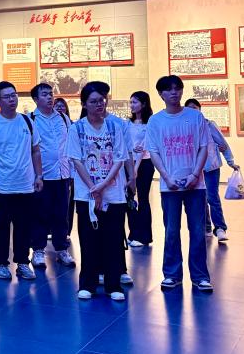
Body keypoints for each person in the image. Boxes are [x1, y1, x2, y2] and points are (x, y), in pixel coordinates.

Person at [146, 76, 212, 292]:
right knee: (172, 231)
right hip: (170, 186)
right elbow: (154, 152)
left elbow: (203, 147)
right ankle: (172, 274)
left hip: (196, 185)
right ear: (161, 94)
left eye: (177, 88)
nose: (174, 93)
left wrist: (195, 174)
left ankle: (200, 276)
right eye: (169, 89)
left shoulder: (195, 116)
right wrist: (166, 177)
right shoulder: (156, 121)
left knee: (198, 231)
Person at [67, 81, 129, 301]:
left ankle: (114, 285)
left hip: (113, 193)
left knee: (113, 239)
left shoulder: (114, 127)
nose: (99, 104)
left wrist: (102, 187)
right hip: (86, 194)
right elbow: (77, 160)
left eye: (102, 100)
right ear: (84, 104)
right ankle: (88, 284)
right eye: (93, 101)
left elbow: (119, 159)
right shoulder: (77, 128)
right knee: (88, 239)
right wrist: (94, 189)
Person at [0, 82, 42, 282]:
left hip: (25, 185)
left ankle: (22, 263)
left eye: (14, 95)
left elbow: (36, 150)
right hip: (2, 186)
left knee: (24, 226)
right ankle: (1, 263)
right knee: (1, 226)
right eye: (7, 96)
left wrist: (39, 175)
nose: (12, 99)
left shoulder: (27, 121)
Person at [29, 82, 75, 269]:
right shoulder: (31, 119)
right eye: (45, 94)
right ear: (35, 99)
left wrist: (72, 171)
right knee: (40, 214)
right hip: (42, 175)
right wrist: (35, 175)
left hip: (63, 174)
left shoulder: (63, 118)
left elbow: (70, 145)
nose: (49, 97)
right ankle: (38, 250)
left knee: (61, 214)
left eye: (51, 93)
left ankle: (62, 249)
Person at [184, 99, 238, 243]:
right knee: (200, 199)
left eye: (194, 108)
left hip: (210, 167)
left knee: (212, 198)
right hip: (194, 169)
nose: (192, 111)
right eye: (189, 109)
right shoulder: (184, 127)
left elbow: (223, 144)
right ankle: (206, 227)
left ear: (200, 109)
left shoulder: (209, 125)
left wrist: (231, 161)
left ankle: (220, 228)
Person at [127, 92, 156, 248]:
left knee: (143, 199)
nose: (131, 105)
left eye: (135, 102)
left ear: (143, 104)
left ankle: (144, 236)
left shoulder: (150, 123)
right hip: (129, 163)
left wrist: (135, 169)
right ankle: (133, 233)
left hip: (144, 164)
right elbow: (127, 145)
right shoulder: (128, 123)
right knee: (129, 199)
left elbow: (144, 148)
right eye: (131, 102)